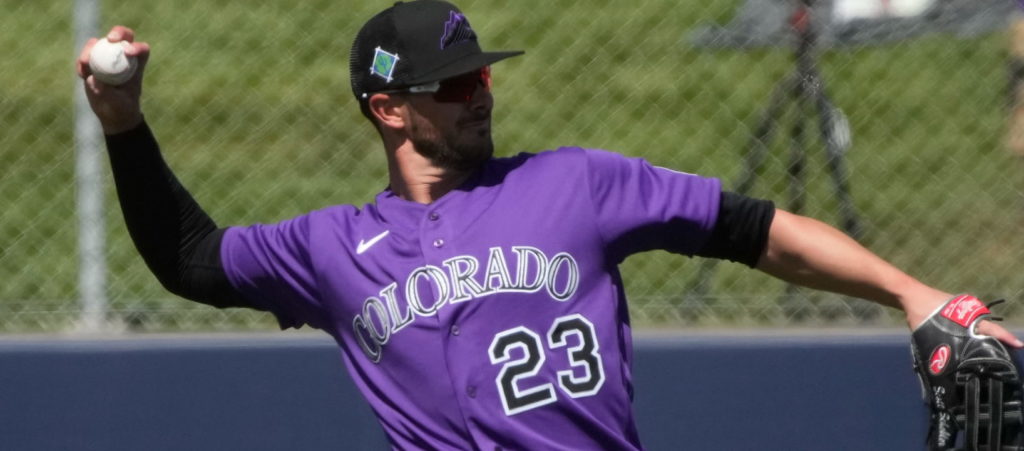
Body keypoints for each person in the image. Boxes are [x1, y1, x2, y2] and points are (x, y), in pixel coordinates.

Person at [76, 1, 1021, 449]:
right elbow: (191, 259)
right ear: (389, 109)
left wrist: (913, 292)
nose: (480, 93)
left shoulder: (576, 184)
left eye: (481, 74)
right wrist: (124, 125)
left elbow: (756, 229)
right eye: (453, 84)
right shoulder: (329, 248)